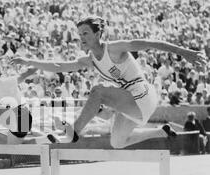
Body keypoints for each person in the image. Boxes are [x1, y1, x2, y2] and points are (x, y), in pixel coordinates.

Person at [11, 16, 207, 148]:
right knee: (117, 142)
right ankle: (160, 131)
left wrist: (185, 52)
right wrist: (29, 61)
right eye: (79, 35)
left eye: (86, 34)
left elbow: (150, 43)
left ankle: (74, 132)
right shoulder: (89, 60)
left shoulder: (114, 48)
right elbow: (59, 66)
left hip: (142, 95)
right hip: (132, 102)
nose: (82, 38)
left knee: (98, 92)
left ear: (97, 34)